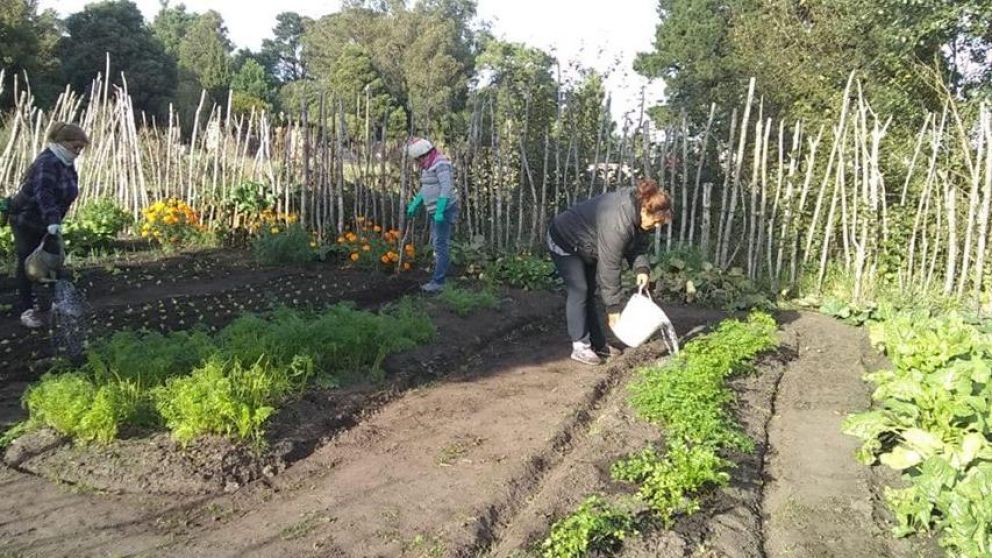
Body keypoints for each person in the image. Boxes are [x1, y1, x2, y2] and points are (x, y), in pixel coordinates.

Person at [547, 178, 673, 365]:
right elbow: (610, 266)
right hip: (564, 239)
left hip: (587, 244)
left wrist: (641, 269)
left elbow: (637, 245)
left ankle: (597, 344)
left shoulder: (639, 213)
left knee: (589, 291)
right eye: (655, 222)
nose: (656, 227)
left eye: (659, 223)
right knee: (580, 289)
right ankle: (580, 346)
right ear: (645, 210)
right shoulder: (618, 221)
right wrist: (613, 309)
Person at [8, 122, 88, 328]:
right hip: (26, 219)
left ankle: (59, 303)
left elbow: (65, 193)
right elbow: (44, 194)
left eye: (81, 148)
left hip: (48, 221)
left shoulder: (66, 163)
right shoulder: (48, 162)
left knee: (53, 261)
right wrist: (52, 221)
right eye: (75, 147)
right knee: (27, 262)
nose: (78, 152)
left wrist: (53, 221)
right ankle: (27, 310)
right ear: (62, 143)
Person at [405, 137, 459, 293]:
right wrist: (417, 202)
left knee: (440, 245)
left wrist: (441, 209)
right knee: (438, 243)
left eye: (418, 160)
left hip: (445, 210)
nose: (418, 164)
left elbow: (446, 188)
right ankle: (438, 278)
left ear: (424, 155)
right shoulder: (429, 166)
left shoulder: (441, 164)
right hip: (435, 211)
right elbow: (426, 187)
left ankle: (438, 282)